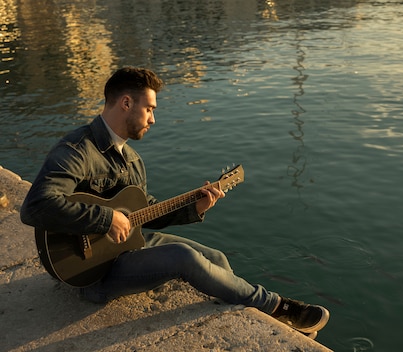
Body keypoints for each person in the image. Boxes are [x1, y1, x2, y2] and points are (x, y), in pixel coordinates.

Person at [20, 67, 329, 336]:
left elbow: (143, 214)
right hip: (91, 272)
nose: (153, 119)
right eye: (150, 109)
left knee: (216, 259)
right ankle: (278, 306)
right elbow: (36, 205)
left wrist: (194, 208)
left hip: (126, 247)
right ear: (126, 103)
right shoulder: (77, 149)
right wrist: (107, 219)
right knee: (184, 257)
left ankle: (254, 313)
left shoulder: (132, 160)